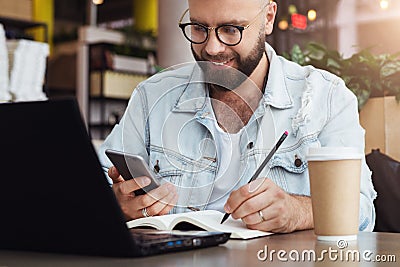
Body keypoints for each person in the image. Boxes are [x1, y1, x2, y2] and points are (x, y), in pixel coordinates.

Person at [98, 0, 376, 233]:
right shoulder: (152, 97)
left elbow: (362, 211)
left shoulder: (325, 98)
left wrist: (299, 211)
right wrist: (115, 204)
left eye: (231, 30)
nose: (212, 48)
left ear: (268, 18)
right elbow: (91, 186)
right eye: (199, 28)